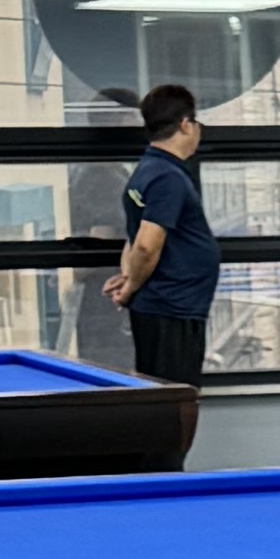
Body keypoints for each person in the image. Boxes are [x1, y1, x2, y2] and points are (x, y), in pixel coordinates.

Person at [105, 83, 220, 460]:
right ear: (186, 124)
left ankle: (161, 468)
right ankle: (166, 474)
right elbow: (146, 245)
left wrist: (128, 277)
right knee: (175, 404)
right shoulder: (168, 177)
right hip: (172, 309)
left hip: (166, 307)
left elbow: (135, 238)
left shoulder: (147, 171)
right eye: (196, 122)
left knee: (162, 401)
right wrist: (131, 287)